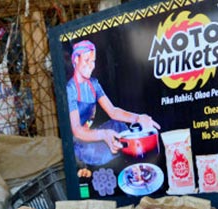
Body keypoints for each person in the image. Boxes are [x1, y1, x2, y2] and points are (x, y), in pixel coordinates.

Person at [67, 40, 160, 171]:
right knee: (120, 143)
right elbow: (76, 130)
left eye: (93, 61)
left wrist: (138, 118)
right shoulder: (70, 89)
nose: (91, 65)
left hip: (92, 135)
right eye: (87, 60)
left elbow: (113, 111)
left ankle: (139, 173)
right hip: (77, 145)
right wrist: (103, 135)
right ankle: (131, 173)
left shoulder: (93, 84)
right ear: (76, 59)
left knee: (119, 127)